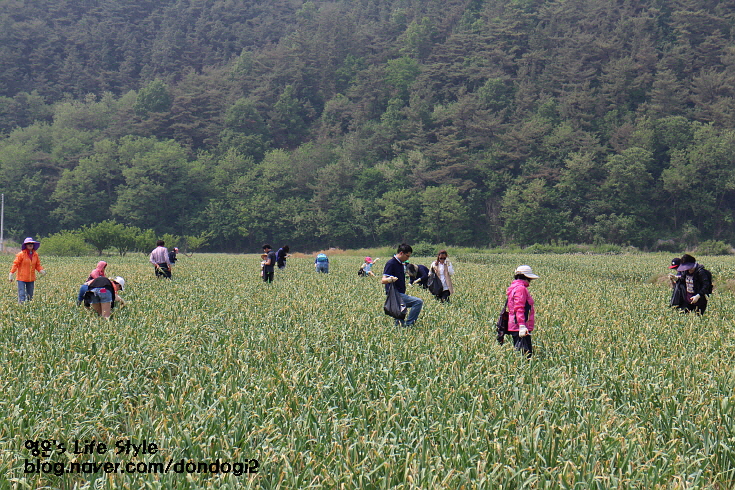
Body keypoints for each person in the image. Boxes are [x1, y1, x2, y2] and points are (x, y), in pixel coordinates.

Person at [381, 244, 423, 327]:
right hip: (395, 294)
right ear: (401, 253)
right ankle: (409, 324)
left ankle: (401, 330)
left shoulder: (401, 264)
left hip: (400, 292)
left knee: (399, 320)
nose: (408, 258)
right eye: (407, 256)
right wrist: (390, 279)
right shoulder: (391, 263)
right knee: (418, 302)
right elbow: (383, 280)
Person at [506, 265, 539, 358]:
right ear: (526, 277)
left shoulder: (514, 287)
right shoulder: (521, 289)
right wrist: (522, 325)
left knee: (521, 354)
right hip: (519, 327)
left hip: (515, 325)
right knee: (525, 356)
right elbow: (519, 308)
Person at [9, 237, 46, 303]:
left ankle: (29, 308)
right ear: (25, 245)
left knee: (30, 295)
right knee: (22, 294)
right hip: (21, 278)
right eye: (28, 243)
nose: (30, 245)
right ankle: (21, 307)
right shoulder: (21, 254)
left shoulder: (35, 255)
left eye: (31, 243)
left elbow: (37, 265)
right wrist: (11, 273)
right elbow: (15, 264)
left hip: (31, 278)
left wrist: (41, 270)